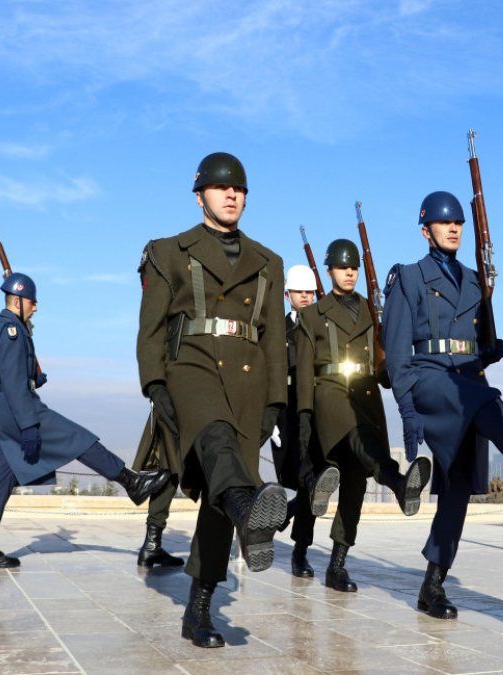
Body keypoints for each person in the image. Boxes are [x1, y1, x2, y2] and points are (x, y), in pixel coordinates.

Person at [382, 191, 503, 620]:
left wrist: (488, 351)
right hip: (431, 379)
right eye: (444, 223)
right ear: (425, 230)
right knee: (487, 399)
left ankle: (432, 584)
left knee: (458, 484)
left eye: (458, 224)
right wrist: (407, 410)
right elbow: (396, 352)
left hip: (467, 383)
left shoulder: (473, 280)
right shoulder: (408, 277)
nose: (453, 229)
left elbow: (476, 344)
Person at [136, 151, 289, 649]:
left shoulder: (268, 261)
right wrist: (155, 384)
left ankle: (198, 609)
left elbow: (273, 340)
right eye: (222, 188)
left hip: (248, 380)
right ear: (199, 195)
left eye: (239, 189)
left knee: (224, 493)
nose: (231, 195)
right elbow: (151, 328)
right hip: (191, 365)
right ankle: (250, 510)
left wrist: (275, 400)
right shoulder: (169, 251)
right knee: (220, 444)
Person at [0, 273, 172, 569]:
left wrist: (32, 377)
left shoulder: (0, 328)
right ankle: (131, 482)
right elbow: (13, 384)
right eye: (32, 302)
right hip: (21, 408)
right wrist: (28, 424)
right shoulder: (13, 330)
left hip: (5, 411)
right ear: (18, 301)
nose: (36, 307)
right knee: (77, 439)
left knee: (3, 475)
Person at [295, 239, 432, 592]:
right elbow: (305, 374)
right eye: (343, 267)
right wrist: (305, 420)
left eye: (354, 267)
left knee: (355, 482)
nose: (349, 273)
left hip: (365, 394)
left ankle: (337, 565)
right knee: (353, 444)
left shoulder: (372, 313)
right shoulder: (312, 316)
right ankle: (397, 482)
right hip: (330, 394)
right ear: (329, 271)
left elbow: (383, 368)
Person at [273, 264, 341, 578]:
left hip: (316, 410)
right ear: (287, 295)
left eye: (310, 292)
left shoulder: (324, 327)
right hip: (287, 412)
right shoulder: (276, 330)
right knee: (302, 480)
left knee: (315, 480)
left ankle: (299, 551)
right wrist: (271, 417)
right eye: (299, 292)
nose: (305, 297)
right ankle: (289, 518)